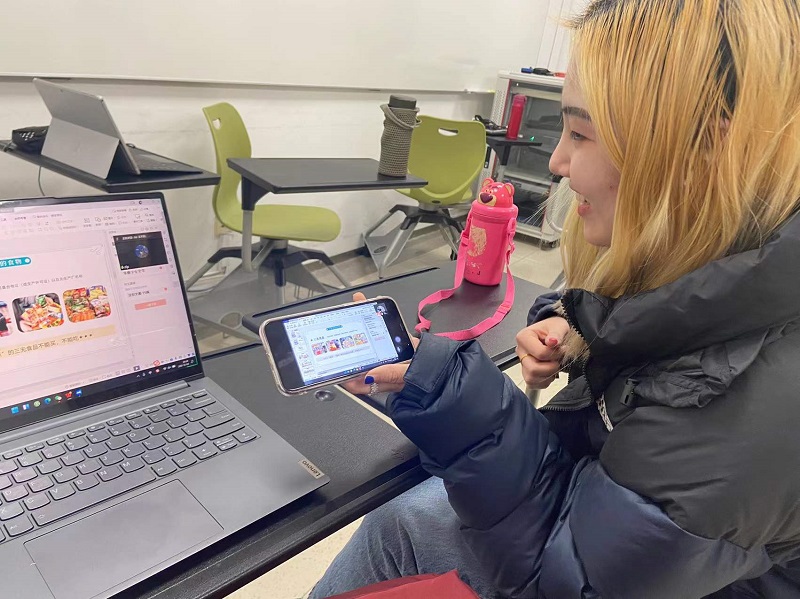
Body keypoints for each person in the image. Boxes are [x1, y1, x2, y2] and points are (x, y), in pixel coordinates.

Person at [310, 0, 800, 597]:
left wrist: (458, 406)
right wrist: (580, 328)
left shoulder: (751, 413)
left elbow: (560, 585)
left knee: (404, 524)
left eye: (581, 133)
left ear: (705, 148)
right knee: (399, 522)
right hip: (623, 526)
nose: (557, 161)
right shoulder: (739, 254)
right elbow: (672, 323)